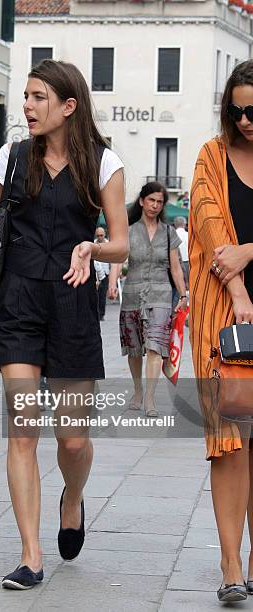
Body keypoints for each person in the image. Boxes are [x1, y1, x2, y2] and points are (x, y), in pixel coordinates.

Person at [0, 59, 128, 590]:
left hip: (73, 302)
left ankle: (74, 497)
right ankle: (30, 555)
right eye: (27, 97)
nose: (28, 106)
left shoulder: (104, 164)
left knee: (72, 441)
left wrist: (93, 245)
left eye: (39, 98)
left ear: (69, 106)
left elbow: (121, 243)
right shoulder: (11, 158)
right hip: (18, 302)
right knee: (22, 432)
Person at [189, 60, 253, 603]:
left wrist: (250, 251)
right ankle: (231, 565)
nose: (247, 119)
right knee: (230, 443)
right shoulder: (211, 155)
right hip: (223, 320)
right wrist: (237, 289)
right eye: (237, 109)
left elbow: (235, 248)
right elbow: (210, 229)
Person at [110, 182, 186, 417]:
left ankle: (150, 398)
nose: (155, 205)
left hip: (161, 295)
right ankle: (137, 390)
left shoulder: (169, 232)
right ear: (142, 201)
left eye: (159, 202)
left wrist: (183, 294)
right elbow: (117, 259)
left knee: (155, 347)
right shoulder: (129, 230)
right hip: (132, 293)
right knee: (134, 349)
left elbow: (175, 267)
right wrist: (112, 283)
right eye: (151, 200)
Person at [94, 226, 110, 320]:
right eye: (98, 235)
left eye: (101, 235)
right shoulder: (93, 244)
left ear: (104, 235)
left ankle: (101, 314)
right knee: (95, 295)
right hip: (96, 273)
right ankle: (96, 313)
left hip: (106, 273)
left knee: (102, 295)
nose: (100, 237)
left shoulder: (109, 244)